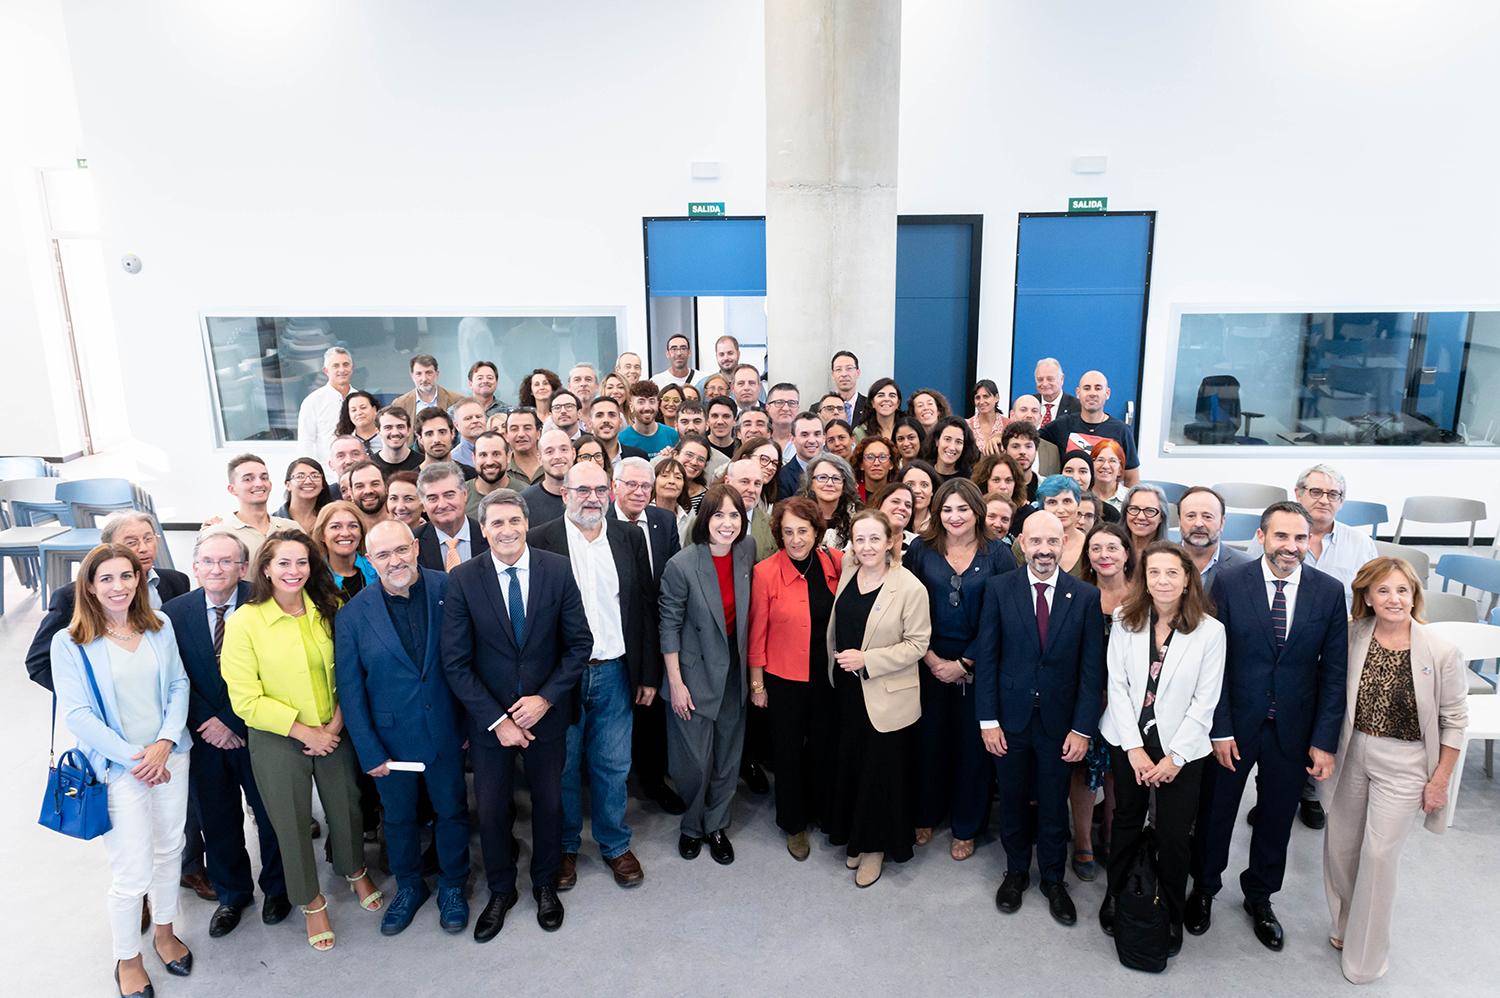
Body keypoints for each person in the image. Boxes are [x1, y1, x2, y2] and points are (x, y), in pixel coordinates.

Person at [1186, 502, 1349, 951]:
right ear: (1261, 537)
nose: (1290, 547)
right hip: (1235, 725)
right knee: (1216, 813)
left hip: (1293, 730)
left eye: (1299, 538)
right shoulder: (1230, 583)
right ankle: (1204, 889)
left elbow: (1334, 672)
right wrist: (1218, 728)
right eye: (1281, 537)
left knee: (1276, 819)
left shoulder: (1329, 591)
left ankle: (1260, 897)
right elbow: (1211, 662)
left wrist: (1323, 741)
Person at [220, 530, 383, 952]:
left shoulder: (330, 608)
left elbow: (351, 671)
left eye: (302, 563)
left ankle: (354, 869)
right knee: (290, 822)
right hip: (278, 735)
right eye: (284, 564)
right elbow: (245, 697)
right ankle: (311, 902)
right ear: (266, 569)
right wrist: (303, 731)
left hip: (333, 728)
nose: (294, 572)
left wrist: (332, 727)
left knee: (347, 804)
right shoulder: (244, 622)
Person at [441, 489, 592, 940]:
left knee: (548, 804)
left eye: (514, 521)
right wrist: (498, 720)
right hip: (490, 722)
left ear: (526, 524)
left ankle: (545, 884)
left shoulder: (557, 569)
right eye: (496, 524)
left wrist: (544, 700)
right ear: (482, 530)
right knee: (490, 811)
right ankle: (501, 890)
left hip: (546, 713)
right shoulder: (464, 579)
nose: (506, 530)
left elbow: (579, 644)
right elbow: (456, 662)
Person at [51, 543, 194, 997]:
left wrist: (165, 742)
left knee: (171, 849)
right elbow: (77, 715)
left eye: (126, 576)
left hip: (171, 756)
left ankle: (166, 933)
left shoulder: (159, 624)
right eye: (107, 578)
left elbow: (177, 683)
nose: (119, 587)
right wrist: (139, 757)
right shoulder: (69, 641)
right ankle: (127, 957)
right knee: (131, 870)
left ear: (139, 580)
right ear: (89, 587)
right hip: (118, 769)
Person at [1323, 557, 1467, 984]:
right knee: (1342, 848)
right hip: (1353, 750)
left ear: (1415, 596)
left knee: (1380, 855)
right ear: (1366, 596)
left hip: (1405, 763)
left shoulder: (1440, 651)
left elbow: (1455, 721)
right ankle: (1346, 925)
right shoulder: (1350, 637)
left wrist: (1439, 780)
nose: (1394, 598)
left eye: (1403, 590)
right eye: (1383, 590)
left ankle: (1366, 958)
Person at [334, 520, 471, 936]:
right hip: (391, 740)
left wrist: (468, 722)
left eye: (400, 551)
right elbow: (351, 689)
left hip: (447, 728)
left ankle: (452, 886)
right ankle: (410, 886)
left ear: (414, 547)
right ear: (370, 561)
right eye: (382, 555)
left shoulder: (449, 589)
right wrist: (369, 750)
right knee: (398, 819)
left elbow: (469, 661)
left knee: (452, 811)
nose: (394, 561)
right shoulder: (354, 614)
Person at [528, 461, 658, 890]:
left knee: (613, 764)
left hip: (616, 671)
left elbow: (642, 607)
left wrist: (647, 672)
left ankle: (614, 843)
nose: (592, 498)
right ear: (564, 493)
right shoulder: (540, 540)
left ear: (611, 493)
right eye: (582, 489)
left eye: (600, 489)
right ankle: (566, 845)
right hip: (561, 678)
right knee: (562, 767)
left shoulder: (628, 536)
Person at [972, 511, 1104, 927]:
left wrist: (1082, 728)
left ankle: (1052, 879)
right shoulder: (998, 589)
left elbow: (1091, 672)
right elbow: (988, 658)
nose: (1044, 550)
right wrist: (987, 721)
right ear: (1022, 544)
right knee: (1011, 799)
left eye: (1052, 541)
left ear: (1063, 542)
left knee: (1052, 802)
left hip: (1060, 725)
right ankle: (1015, 872)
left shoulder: (1083, 596)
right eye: (1035, 542)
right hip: (1008, 722)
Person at [1098, 542, 1226, 955]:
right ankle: (1117, 893)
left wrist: (1176, 758)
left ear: (1188, 578)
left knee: (1173, 833)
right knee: (1125, 821)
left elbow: (1205, 702)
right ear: (1144, 579)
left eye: (1172, 573)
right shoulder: (1125, 619)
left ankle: (1170, 908)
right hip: (1128, 739)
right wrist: (1134, 749)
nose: (1163, 581)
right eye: (1154, 573)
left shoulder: (1210, 631)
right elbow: (1116, 685)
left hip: (1181, 747)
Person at [163, 533, 290, 939]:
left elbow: (275, 669)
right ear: (195, 567)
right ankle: (232, 894)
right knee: (217, 819)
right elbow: (173, 677)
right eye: (208, 562)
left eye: (227, 562)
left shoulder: (264, 601)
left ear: (242, 566)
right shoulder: (172, 613)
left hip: (257, 729)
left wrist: (233, 721)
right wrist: (209, 722)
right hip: (202, 736)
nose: (217, 570)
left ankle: (278, 888)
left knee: (271, 814)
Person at [904, 479, 1013, 861]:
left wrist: (965, 662)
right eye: (946, 509)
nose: (954, 517)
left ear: (977, 511)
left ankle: (967, 826)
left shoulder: (998, 553)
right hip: (926, 660)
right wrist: (932, 658)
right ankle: (926, 814)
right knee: (928, 743)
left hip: (979, 664)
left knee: (972, 750)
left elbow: (1001, 616)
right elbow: (906, 604)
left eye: (962, 509)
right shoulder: (921, 549)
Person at [826, 509, 932, 888]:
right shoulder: (849, 575)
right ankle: (858, 836)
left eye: (875, 539)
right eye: (860, 539)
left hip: (887, 696)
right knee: (854, 766)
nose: (867, 546)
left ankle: (875, 848)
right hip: (849, 693)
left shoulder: (909, 587)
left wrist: (867, 660)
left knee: (880, 775)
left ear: (891, 542)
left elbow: (918, 644)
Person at [659, 483, 756, 865]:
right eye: (719, 515)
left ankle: (716, 825)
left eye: (735, 515)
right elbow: (668, 627)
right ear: (705, 519)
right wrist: (676, 683)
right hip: (693, 674)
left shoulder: (746, 552)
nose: (727, 523)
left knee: (728, 756)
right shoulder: (682, 564)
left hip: (734, 669)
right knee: (695, 762)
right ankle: (691, 825)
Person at [748, 497, 843, 861]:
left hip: (828, 676)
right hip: (783, 677)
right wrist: (757, 685)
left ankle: (822, 809)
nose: (796, 539)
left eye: (803, 530)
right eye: (788, 532)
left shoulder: (835, 562)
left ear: (817, 531)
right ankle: (794, 823)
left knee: (824, 746)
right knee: (787, 753)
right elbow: (756, 633)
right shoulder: (766, 572)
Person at [28, 511, 191, 691]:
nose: (143, 548)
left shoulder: (177, 582)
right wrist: (88, 694)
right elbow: (39, 663)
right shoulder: (71, 597)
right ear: (108, 548)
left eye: (148, 538)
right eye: (132, 543)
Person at [613, 457, 687, 816]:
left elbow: (671, 582)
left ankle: (653, 781)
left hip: (653, 633)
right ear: (615, 485)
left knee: (650, 715)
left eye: (646, 486)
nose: (640, 492)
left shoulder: (663, 520)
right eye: (632, 485)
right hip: (612, 635)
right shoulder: (600, 522)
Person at [1076, 522, 1135, 871]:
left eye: (1112, 547)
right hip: (1086, 695)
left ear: (1126, 553)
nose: (1104, 555)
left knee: (1118, 772)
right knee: (1082, 770)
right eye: (1096, 548)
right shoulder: (1079, 594)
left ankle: (1113, 834)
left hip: (1126, 700)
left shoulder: (1142, 596)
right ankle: (1082, 840)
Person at [1295, 464, 1379, 613]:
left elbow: (1374, 596)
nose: (1324, 501)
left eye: (1333, 494)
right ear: (1298, 494)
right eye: (1316, 492)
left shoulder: (1361, 543)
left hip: (1345, 630)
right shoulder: (1274, 537)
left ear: (1341, 502)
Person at [1040, 371, 1140, 487]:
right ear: (1078, 393)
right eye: (1087, 388)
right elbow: (1030, 439)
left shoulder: (1122, 430)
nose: (1092, 393)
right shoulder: (1061, 425)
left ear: (1107, 393)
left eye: (1098, 388)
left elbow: (1132, 478)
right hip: (1070, 499)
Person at [202, 454, 298, 562]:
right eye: (248, 479)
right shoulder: (218, 533)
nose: (259, 483)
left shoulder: (292, 528)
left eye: (264, 478)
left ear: (270, 484)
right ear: (232, 489)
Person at [415, 461, 485, 571]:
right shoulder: (413, 543)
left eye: (449, 495)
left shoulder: (488, 536)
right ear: (422, 504)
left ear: (465, 494)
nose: (442, 505)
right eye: (433, 498)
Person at [1179, 486, 1251, 591]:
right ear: (1179, 521)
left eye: (1207, 517)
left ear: (1222, 522)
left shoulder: (1246, 568)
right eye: (1191, 516)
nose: (1198, 524)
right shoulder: (1159, 561)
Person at [1013, 475, 1088, 576]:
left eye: (1067, 501)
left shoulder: (1091, 544)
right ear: (1042, 507)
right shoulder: (1023, 543)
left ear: (1078, 505)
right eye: (1052, 502)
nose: (1060, 510)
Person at [297, 346, 356, 473]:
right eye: (336, 365)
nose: (342, 369)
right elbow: (306, 441)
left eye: (346, 364)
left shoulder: (360, 399)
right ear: (326, 370)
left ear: (352, 368)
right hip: (328, 474)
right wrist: (312, 473)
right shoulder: (313, 401)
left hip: (358, 471)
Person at [314, 500, 377, 598]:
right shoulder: (314, 578)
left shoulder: (377, 568)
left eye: (353, 526)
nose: (345, 533)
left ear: (361, 533)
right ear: (322, 535)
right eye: (335, 527)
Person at [797, 454, 858, 549]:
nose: (829, 483)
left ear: (844, 485)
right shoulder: (798, 515)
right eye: (822, 477)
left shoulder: (858, 516)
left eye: (836, 478)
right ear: (811, 484)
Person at [520, 428, 576, 527]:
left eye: (563, 449)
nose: (557, 456)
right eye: (549, 452)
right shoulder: (524, 502)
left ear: (573, 454)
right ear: (539, 458)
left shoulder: (590, 496)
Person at [394, 353, 464, 423]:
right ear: (412, 376)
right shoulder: (400, 404)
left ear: (437, 374)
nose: (424, 379)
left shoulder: (456, 401)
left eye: (428, 373)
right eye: (419, 374)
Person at [618, 378, 679, 457]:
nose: (647, 407)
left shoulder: (672, 435)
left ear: (658, 404)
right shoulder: (621, 439)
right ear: (631, 407)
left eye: (652, 401)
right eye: (641, 402)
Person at [466, 430, 518, 517]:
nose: (489, 462)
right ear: (474, 458)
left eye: (496, 454)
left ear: (508, 456)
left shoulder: (526, 494)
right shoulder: (460, 496)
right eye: (483, 455)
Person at [415, 408, 478, 479]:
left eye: (442, 432)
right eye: (429, 434)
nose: (437, 440)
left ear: (452, 433)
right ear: (420, 438)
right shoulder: (410, 483)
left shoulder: (472, 475)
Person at [588, 395, 648, 466]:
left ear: (620, 422)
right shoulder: (578, 456)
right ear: (590, 423)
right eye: (599, 415)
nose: (606, 420)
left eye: (612, 415)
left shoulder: (638, 457)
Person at [278, 457, 332, 534]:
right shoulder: (274, 521)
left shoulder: (331, 519)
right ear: (288, 485)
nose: (308, 481)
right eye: (300, 476)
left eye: (315, 476)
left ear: (323, 484)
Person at [778, 411, 825, 498]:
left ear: (824, 438)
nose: (812, 440)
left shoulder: (836, 471)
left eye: (817, 434)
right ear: (792, 439)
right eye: (804, 435)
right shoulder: (782, 477)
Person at [1009, 397, 1061, 476]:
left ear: (1040, 418)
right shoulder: (996, 446)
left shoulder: (1052, 450)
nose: (1029, 415)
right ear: (1012, 415)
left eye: (1034, 411)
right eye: (1023, 410)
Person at [919, 415, 979, 482]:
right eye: (947, 439)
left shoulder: (970, 479)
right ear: (937, 441)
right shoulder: (923, 473)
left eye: (958, 442)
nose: (952, 447)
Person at [1121, 483, 1169, 561]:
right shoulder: (1112, 553)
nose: (1141, 517)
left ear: (1161, 517)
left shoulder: (1170, 557)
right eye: (1134, 509)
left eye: (1150, 511)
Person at [370, 406, 422, 478]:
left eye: (400, 427)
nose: (395, 433)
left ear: (409, 430)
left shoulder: (422, 464)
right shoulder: (369, 466)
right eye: (388, 427)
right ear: (378, 432)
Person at [871, 481, 917, 559]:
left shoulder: (919, 544)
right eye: (895, 501)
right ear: (879, 504)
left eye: (908, 505)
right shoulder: (861, 539)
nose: (902, 508)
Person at [1000, 421, 1044, 501]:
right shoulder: (996, 487)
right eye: (1015, 446)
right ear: (1005, 451)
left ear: (1036, 450)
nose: (1022, 452)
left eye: (1028, 446)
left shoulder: (1047, 486)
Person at [651, 457, 692, 539]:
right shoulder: (642, 513)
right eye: (665, 476)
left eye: (678, 477)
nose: (672, 481)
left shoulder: (690, 516)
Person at [503, 408, 545, 486]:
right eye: (514, 429)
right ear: (506, 436)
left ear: (538, 433)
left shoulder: (551, 465)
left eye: (527, 428)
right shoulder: (501, 472)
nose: (521, 434)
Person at [344, 460, 389, 532]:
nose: (368, 491)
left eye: (375, 484)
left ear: (386, 487)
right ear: (351, 492)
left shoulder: (403, 526)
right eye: (359, 486)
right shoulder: (347, 533)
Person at [1033, 357, 1080, 426]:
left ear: (1061, 379)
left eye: (1050, 379)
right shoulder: (1029, 403)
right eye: (1040, 379)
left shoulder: (1077, 407)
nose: (1045, 383)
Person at [829, 350, 869, 425]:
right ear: (833, 375)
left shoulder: (870, 407)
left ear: (858, 373)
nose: (844, 374)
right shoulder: (818, 408)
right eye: (838, 369)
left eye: (849, 368)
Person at [857, 377, 903, 443]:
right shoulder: (860, 432)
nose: (887, 399)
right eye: (881, 395)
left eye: (892, 396)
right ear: (872, 402)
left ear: (898, 403)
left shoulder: (908, 428)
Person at [326, 435, 372, 500]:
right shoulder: (325, 496)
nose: (349, 461)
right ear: (331, 465)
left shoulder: (381, 491)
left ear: (367, 459)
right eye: (340, 456)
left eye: (355, 454)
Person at [676, 433, 713, 513]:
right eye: (689, 455)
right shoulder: (658, 487)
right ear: (675, 454)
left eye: (701, 459)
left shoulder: (708, 498)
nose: (694, 462)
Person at [900, 460, 939, 534]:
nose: (917, 490)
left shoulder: (942, 523)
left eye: (924, 485)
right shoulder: (890, 521)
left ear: (932, 491)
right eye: (910, 485)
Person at [968, 378, 1007, 455]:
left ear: (996, 397)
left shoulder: (1009, 425)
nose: (981, 402)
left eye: (986, 396)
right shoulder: (967, 425)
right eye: (978, 397)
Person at [853, 434, 895, 502]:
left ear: (891, 464)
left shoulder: (898, 494)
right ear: (861, 465)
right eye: (870, 457)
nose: (876, 463)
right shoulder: (852, 496)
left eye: (883, 457)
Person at [1090, 439, 1127, 514]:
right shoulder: (1081, 497)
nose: (1105, 466)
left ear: (1120, 469)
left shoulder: (1131, 499)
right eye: (1100, 460)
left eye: (1112, 461)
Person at [765, 382, 801, 457]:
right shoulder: (760, 439)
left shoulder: (806, 440)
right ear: (767, 408)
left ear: (798, 408)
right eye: (779, 402)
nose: (786, 408)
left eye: (792, 403)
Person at [450, 397, 489, 466]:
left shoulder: (500, 450)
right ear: (457, 425)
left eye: (478, 416)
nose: (475, 421)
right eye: (468, 418)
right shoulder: (453, 460)